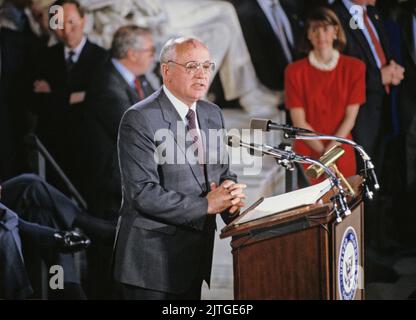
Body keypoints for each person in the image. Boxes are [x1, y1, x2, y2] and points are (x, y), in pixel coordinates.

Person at [113, 37, 246, 300]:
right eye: (192, 66)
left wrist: (230, 198)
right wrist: (206, 205)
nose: (202, 74)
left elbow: (222, 172)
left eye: (207, 66)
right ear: (167, 71)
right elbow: (141, 193)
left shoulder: (212, 113)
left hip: (193, 260)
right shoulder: (139, 118)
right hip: (151, 265)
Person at [32, 0, 108, 194]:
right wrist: (75, 97)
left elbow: (96, 100)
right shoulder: (43, 58)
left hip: (88, 151)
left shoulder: (102, 59)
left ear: (84, 21)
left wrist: (54, 96)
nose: (67, 30)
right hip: (53, 149)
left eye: (72, 22)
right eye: (60, 24)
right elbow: (35, 103)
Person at [285, 7, 366, 183]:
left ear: (336, 31)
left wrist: (330, 152)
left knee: (346, 204)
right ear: (308, 35)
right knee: (314, 207)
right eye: (315, 29)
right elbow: (299, 122)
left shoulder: (355, 68)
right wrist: (323, 156)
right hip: (308, 151)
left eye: (326, 28)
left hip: (341, 147)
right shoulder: (294, 71)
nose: (320, 35)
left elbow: (350, 119)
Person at [84, 25, 155, 222]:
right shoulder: (107, 84)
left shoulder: (141, 79)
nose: (153, 56)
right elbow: (134, 130)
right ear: (132, 54)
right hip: (113, 185)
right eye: (150, 50)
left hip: (134, 176)